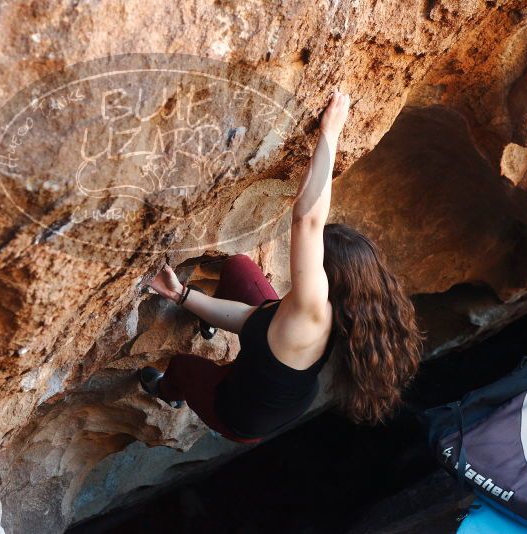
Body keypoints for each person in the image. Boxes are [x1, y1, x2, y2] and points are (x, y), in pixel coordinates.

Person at [138, 89, 423, 444]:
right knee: (241, 270)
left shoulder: (312, 312)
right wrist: (181, 296)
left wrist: (330, 133)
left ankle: (168, 392)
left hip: (241, 415)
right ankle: (205, 324)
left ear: (325, 279)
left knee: (181, 367)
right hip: (272, 366)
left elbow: (306, 219)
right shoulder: (346, 304)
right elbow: (246, 319)